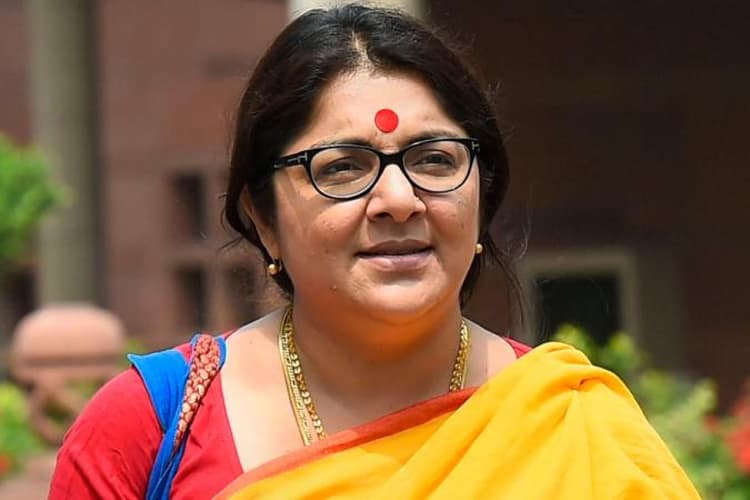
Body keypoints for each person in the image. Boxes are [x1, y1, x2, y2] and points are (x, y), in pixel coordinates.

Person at [50, 4, 698, 499]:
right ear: (264, 218)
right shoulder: (147, 430)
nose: (399, 199)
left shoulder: (573, 427)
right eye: (342, 167)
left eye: (435, 159)